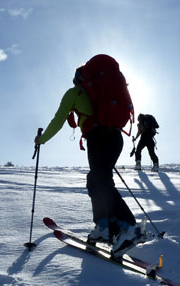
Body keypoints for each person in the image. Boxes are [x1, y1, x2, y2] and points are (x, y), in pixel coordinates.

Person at [35, 65, 143, 255]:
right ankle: (105, 227)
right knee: (96, 180)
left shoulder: (74, 93)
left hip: (98, 137)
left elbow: (59, 120)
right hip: (115, 137)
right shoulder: (102, 95)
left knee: (101, 180)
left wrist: (41, 139)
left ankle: (128, 227)